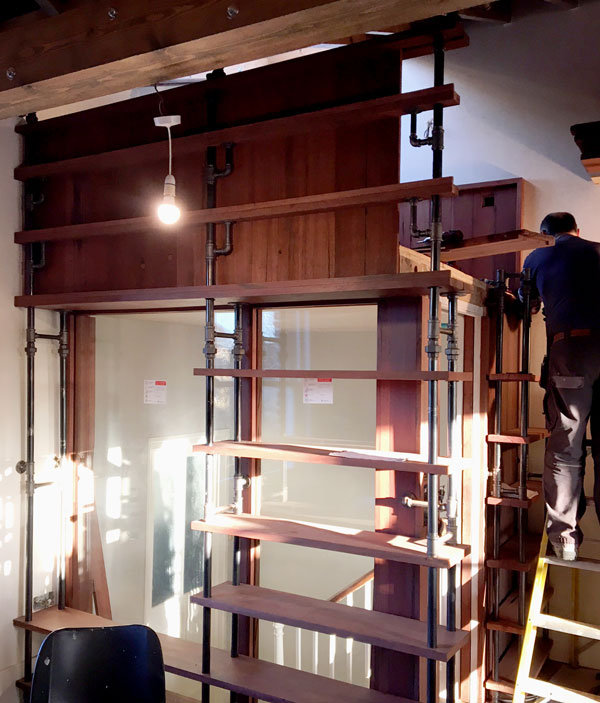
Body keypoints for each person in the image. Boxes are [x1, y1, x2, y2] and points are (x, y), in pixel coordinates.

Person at [521, 212, 600, 560]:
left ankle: (565, 540)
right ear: (577, 231)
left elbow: (526, 304)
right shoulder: (598, 250)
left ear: (545, 234)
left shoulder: (538, 256)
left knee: (567, 445)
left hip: (572, 352)